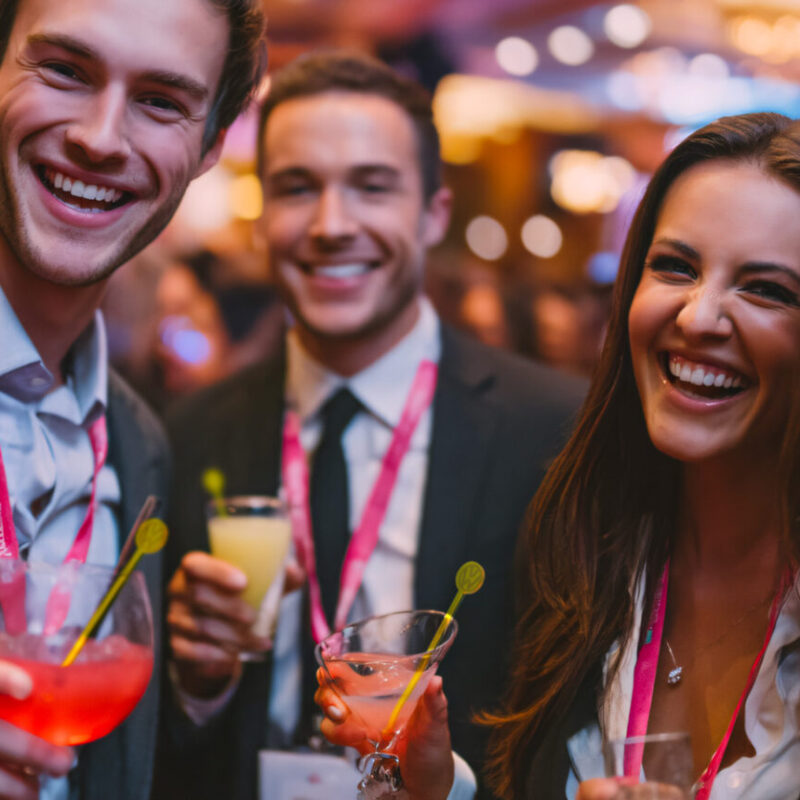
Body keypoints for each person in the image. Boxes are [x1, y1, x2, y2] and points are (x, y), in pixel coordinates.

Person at [319, 111, 800, 800]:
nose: (697, 317)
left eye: (767, 290)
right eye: (675, 267)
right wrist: (435, 783)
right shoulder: (584, 548)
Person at [157, 50, 585, 800]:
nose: (331, 225)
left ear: (433, 215)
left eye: (372, 187)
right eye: (297, 188)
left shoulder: (551, 431)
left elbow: (569, 726)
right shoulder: (186, 437)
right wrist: (197, 682)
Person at [0, 0, 264, 797]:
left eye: (161, 102)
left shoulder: (140, 438)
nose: (101, 137)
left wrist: (195, 682)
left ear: (211, 146)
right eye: (65, 71)